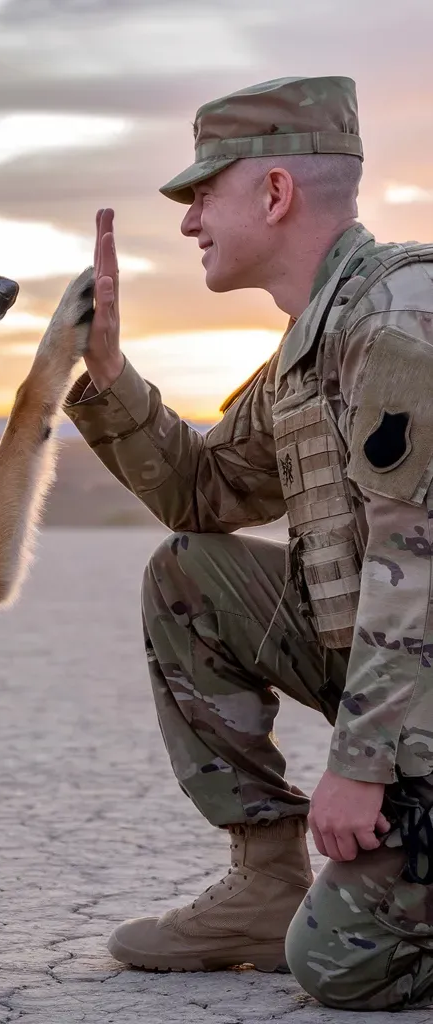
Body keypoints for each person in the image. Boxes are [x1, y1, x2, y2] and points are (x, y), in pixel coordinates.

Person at [64, 75, 433, 1011]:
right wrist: (108, 372)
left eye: (203, 194)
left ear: (274, 193)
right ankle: (267, 886)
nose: (188, 223)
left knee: (346, 967)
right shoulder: (310, 349)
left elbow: (418, 563)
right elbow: (203, 493)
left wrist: (359, 765)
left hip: (414, 687)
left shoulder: (399, 319)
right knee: (192, 575)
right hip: (402, 691)